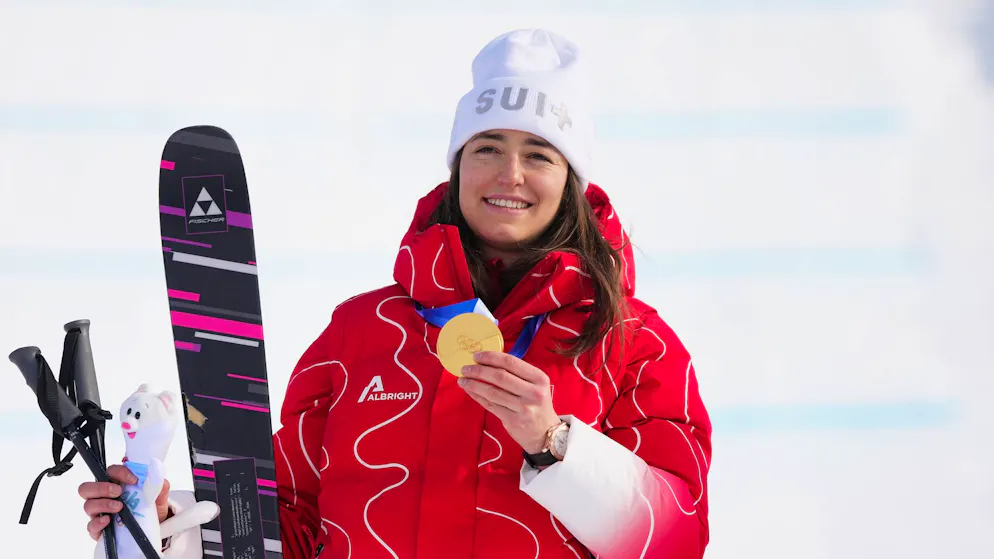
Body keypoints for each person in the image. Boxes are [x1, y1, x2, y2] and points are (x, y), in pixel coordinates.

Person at [78, 28, 712, 559]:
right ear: (458, 166)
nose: (509, 174)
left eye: (540, 154)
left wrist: (554, 444)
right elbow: (289, 529)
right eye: (487, 147)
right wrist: (164, 527)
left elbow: (676, 538)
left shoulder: (637, 347)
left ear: (571, 178)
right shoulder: (361, 332)